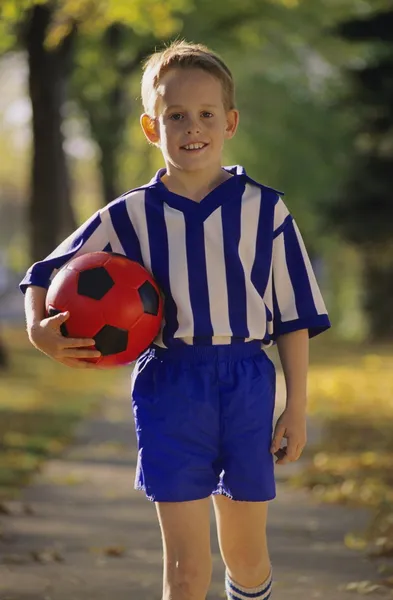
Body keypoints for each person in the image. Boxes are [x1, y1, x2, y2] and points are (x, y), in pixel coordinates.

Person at [20, 40, 331, 600]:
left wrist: (297, 408)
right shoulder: (130, 214)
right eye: (176, 115)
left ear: (230, 122)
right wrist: (38, 329)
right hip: (170, 386)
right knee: (186, 572)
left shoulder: (266, 210)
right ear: (150, 127)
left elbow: (293, 316)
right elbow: (45, 272)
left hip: (246, 384)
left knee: (245, 556)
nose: (193, 127)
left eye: (206, 114)